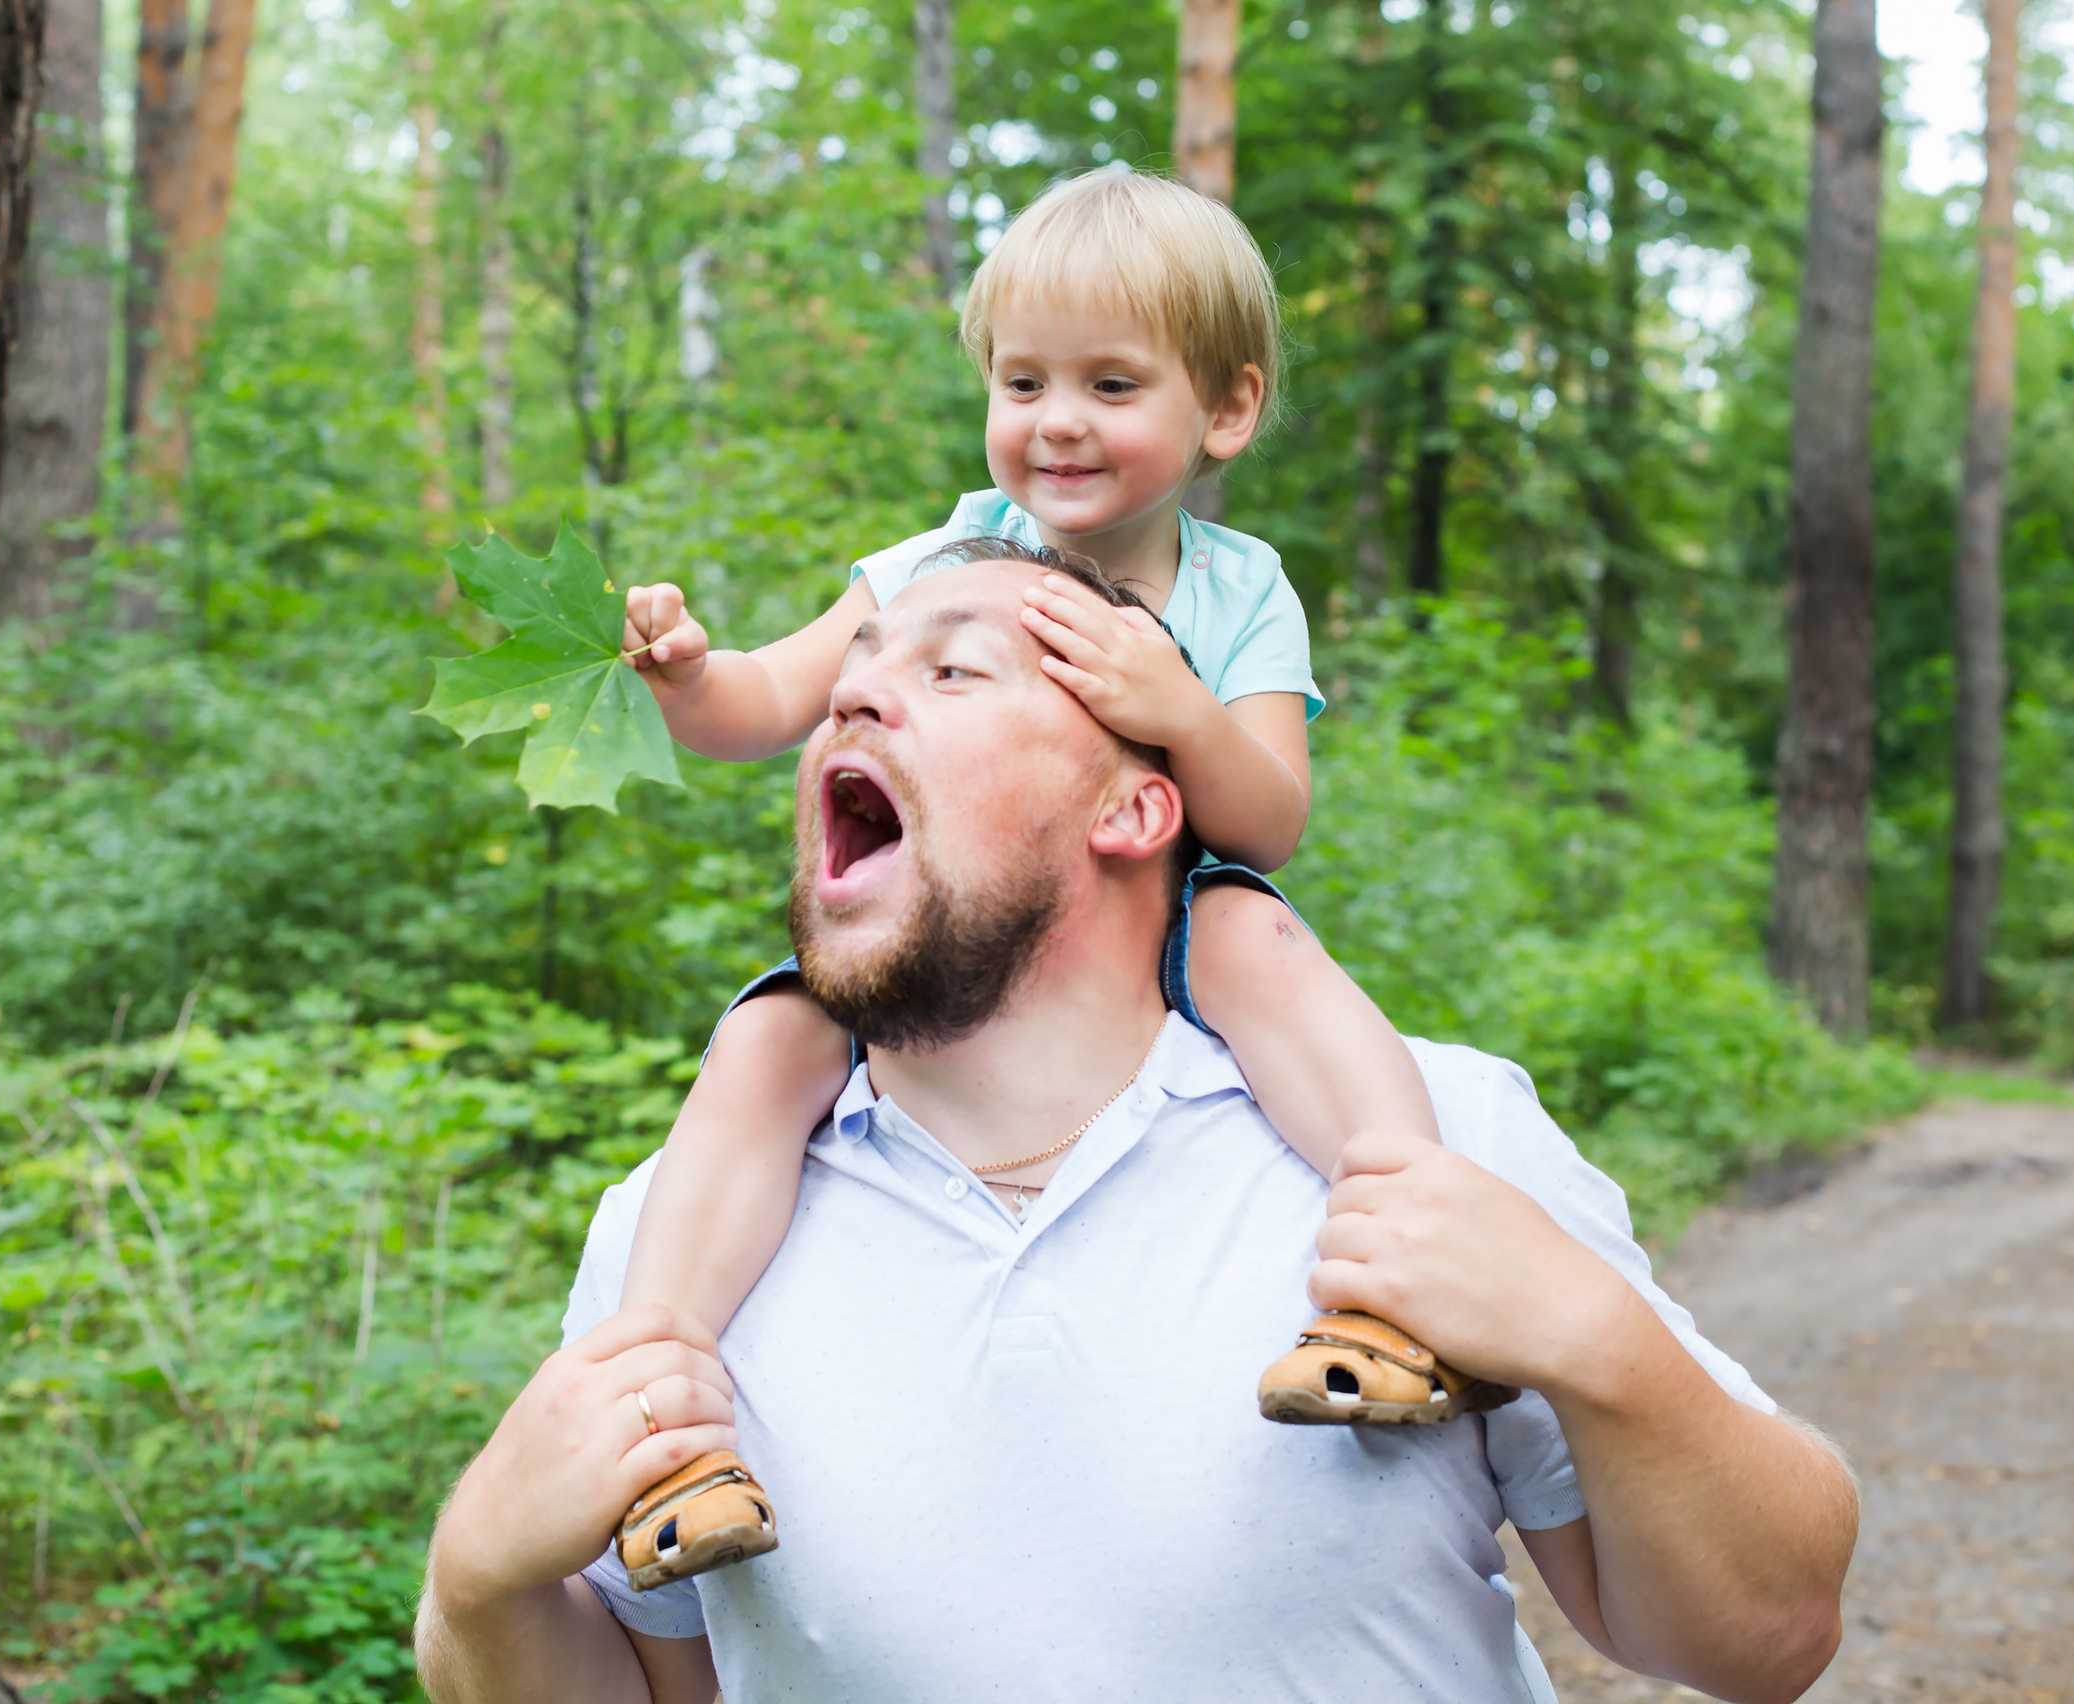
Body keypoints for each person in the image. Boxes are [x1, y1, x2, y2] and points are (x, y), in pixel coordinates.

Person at [415, 546, 1858, 1703]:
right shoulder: (678, 1237)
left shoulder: (1426, 1138)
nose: (851, 703)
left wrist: (1603, 1346)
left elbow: (1769, 1641)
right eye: (851, 674)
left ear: (1134, 807)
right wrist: (479, 1584)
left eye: (956, 669)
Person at [606, 167, 1478, 1584]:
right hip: (947, 923)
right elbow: (769, 705)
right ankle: (659, 1417)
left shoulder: (1235, 590)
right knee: (765, 1040)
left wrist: (1178, 705)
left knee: (1267, 950)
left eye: (1112, 384)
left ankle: (1399, 1289)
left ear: (1227, 410)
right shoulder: (941, 559)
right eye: (1023, 381)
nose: (1057, 421)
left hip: (1163, 912)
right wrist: (692, 672)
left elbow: (1267, 819)